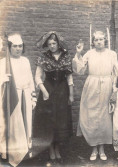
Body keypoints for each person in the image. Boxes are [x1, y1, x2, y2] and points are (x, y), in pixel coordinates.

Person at [72, 31, 118, 161]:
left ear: (105, 40)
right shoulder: (89, 54)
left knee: (105, 116)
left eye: (101, 39)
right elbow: (80, 71)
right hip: (92, 85)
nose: (99, 42)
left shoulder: (112, 54)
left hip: (107, 85)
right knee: (92, 115)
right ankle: (93, 148)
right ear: (93, 42)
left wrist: (115, 90)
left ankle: (102, 148)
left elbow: (116, 72)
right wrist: (78, 53)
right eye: (96, 40)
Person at [34, 31, 74, 163]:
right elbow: (37, 77)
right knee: (50, 121)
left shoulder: (66, 56)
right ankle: (51, 149)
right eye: (49, 44)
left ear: (58, 43)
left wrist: (71, 94)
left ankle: (58, 149)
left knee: (61, 120)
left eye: (54, 43)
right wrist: (44, 92)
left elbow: (69, 77)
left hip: (63, 91)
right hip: (48, 90)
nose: (52, 46)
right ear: (47, 44)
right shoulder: (43, 57)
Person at [0, 33, 36, 167]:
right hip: (10, 99)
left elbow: (31, 80)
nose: (18, 49)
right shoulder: (4, 62)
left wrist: (33, 98)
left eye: (20, 46)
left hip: (25, 96)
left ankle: (24, 151)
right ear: (9, 47)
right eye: (15, 46)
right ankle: (8, 153)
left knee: (26, 124)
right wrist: (4, 80)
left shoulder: (25, 61)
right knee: (12, 126)